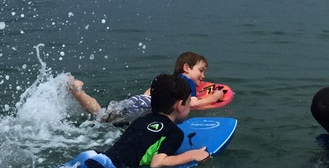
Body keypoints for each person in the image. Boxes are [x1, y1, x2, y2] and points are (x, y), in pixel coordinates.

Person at [35, 74, 210, 168]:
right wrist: (192, 155)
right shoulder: (175, 132)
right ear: (180, 105)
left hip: (92, 155)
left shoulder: (141, 119)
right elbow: (158, 162)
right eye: (189, 102)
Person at [68, 50, 224, 122]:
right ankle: (77, 91)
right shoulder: (186, 82)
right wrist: (215, 96)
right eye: (201, 71)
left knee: (102, 114)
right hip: (145, 106)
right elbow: (194, 103)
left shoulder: (170, 80)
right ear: (186, 68)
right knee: (102, 116)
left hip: (140, 100)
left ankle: (78, 92)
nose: (203, 76)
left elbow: (150, 91)